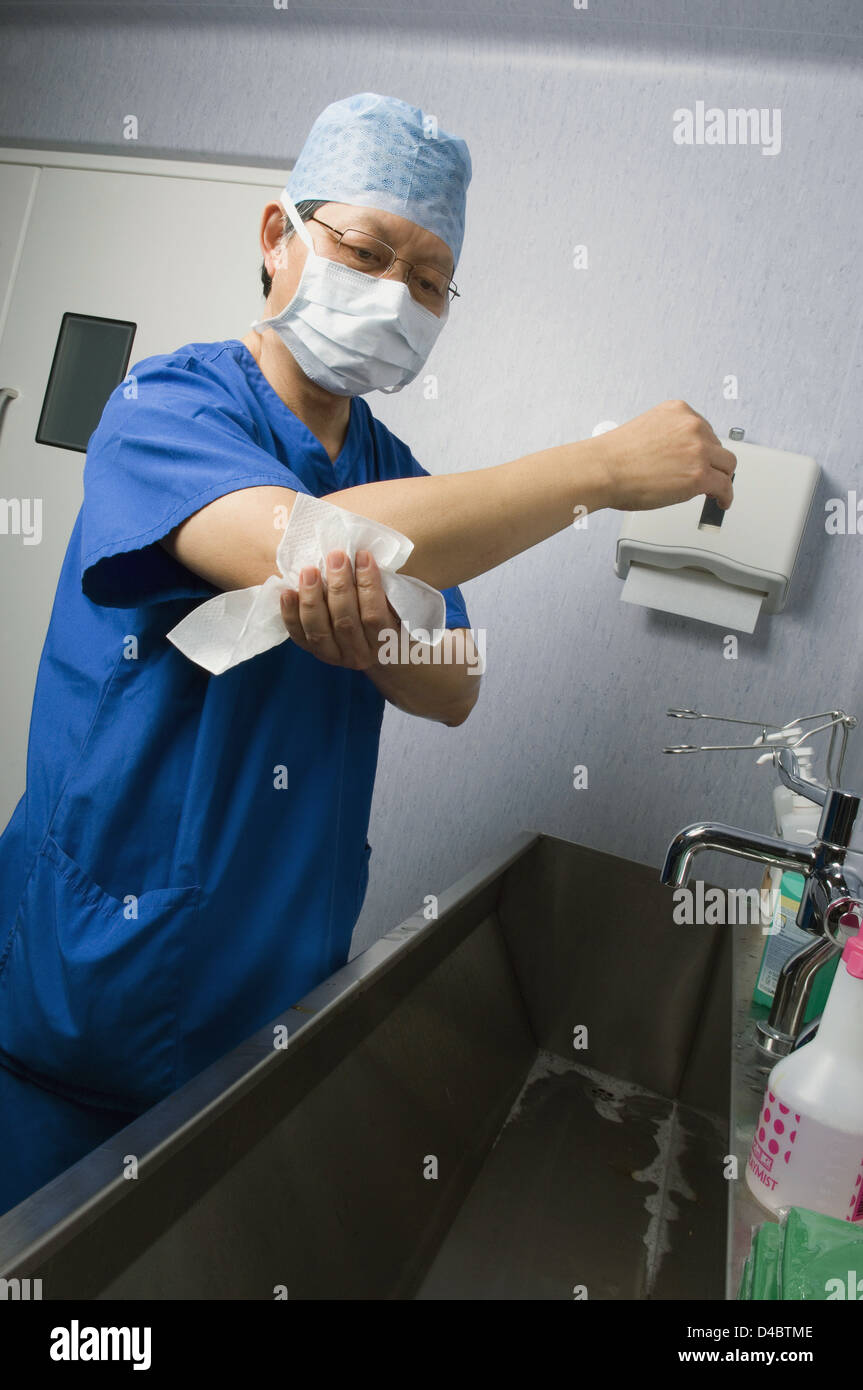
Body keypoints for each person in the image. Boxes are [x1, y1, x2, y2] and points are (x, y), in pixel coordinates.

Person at [0, 92, 736, 1219]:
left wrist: (392, 642)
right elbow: (303, 542)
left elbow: (456, 680)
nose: (396, 294)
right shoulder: (165, 405)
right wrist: (596, 469)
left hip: (274, 993)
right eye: (365, 250)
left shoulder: (397, 468)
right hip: (88, 997)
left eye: (430, 277)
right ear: (274, 237)